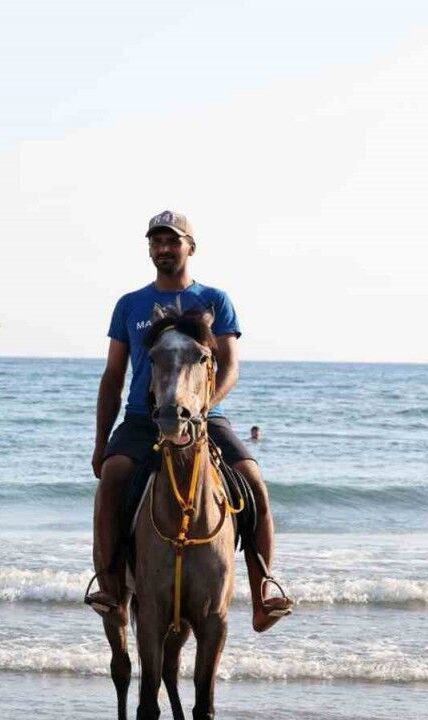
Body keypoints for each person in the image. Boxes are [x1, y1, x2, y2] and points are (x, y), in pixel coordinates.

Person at [86, 210, 293, 632]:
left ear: (190, 248)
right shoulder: (129, 304)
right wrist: (101, 441)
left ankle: (263, 591)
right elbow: (113, 375)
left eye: (172, 241)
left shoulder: (215, 300)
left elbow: (230, 367)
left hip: (205, 416)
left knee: (252, 479)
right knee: (112, 478)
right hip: (144, 418)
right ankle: (111, 589)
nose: (164, 248)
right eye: (156, 242)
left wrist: (201, 408)